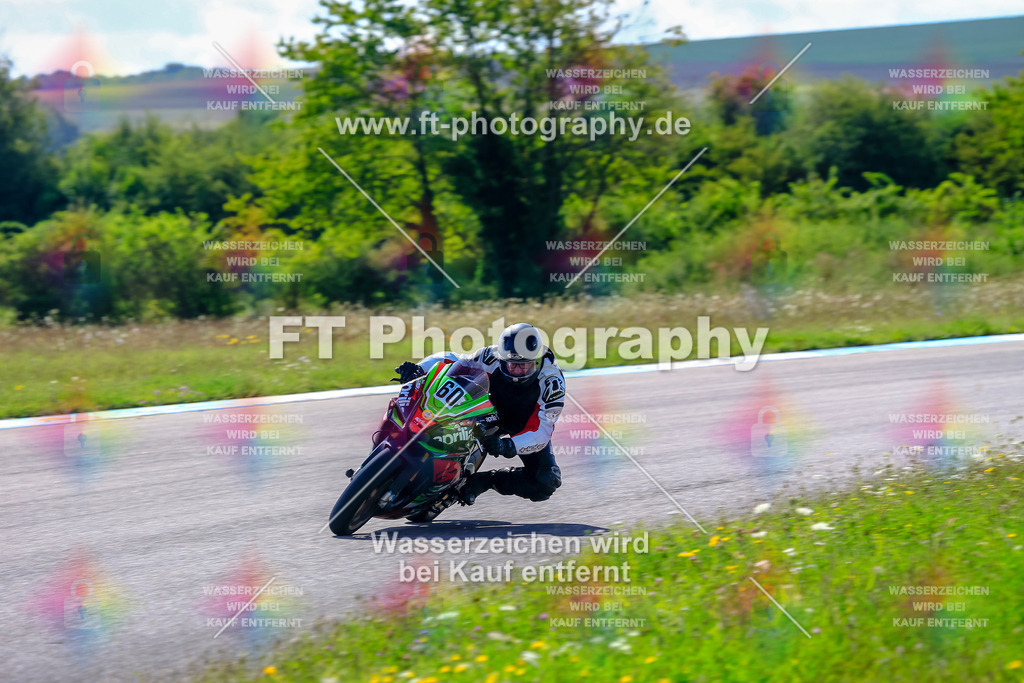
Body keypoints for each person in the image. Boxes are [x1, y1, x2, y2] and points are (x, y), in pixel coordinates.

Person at [393, 322, 565, 505]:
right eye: (512, 365)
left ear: (537, 361)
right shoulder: (491, 356)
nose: (517, 371)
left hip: (522, 425)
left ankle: (485, 481)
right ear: (502, 358)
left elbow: (542, 430)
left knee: (546, 481)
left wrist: (507, 446)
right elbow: (455, 361)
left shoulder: (552, 383)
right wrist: (420, 370)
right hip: (484, 409)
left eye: (525, 366)